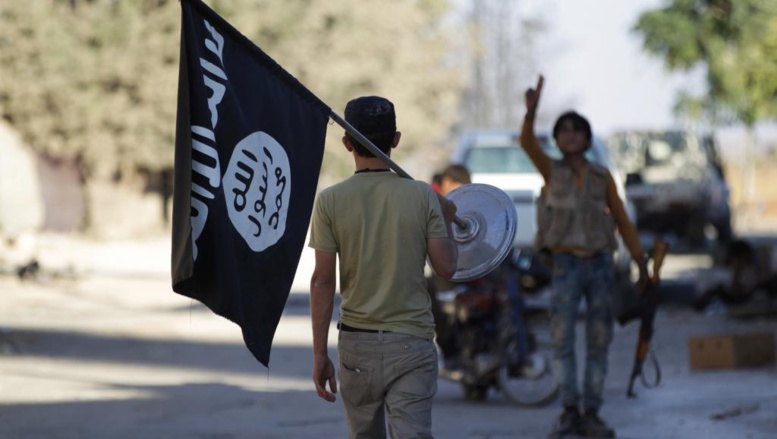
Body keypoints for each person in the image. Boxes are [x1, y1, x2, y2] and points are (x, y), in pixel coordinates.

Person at [308, 95, 459, 439]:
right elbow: (447, 268)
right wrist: (447, 220)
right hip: (412, 342)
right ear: (396, 139)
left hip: (356, 347)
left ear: (347, 143)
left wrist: (319, 353)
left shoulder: (330, 200)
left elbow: (322, 283)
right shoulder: (422, 196)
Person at [520, 76, 648, 439]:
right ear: (557, 140)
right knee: (562, 340)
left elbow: (621, 219)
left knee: (598, 339)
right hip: (565, 266)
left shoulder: (601, 175)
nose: (571, 135)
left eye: (578, 130)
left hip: (600, 266)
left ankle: (591, 411)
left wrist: (640, 260)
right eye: (564, 130)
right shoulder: (551, 170)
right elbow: (527, 143)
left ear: (588, 139)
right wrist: (531, 113)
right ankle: (569, 410)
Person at [426, 163, 471, 370]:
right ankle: (451, 351)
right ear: (445, 184)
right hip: (445, 274)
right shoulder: (431, 205)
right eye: (455, 186)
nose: (458, 191)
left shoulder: (467, 205)